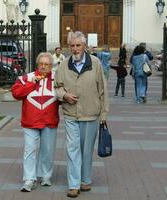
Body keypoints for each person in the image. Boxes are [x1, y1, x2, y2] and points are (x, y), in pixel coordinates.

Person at [54, 31, 109, 198]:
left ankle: (85, 180)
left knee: (86, 150)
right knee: (72, 149)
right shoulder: (63, 65)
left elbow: (103, 90)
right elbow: (57, 86)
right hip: (71, 115)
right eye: (72, 45)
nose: (75, 49)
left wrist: (104, 114)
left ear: (84, 46)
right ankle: (73, 184)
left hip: (91, 114)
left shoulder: (95, 63)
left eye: (78, 45)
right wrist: (64, 95)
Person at [11, 52, 59, 192]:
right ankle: (29, 179)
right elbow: (16, 93)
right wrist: (31, 85)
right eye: (41, 64)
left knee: (48, 150)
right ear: (38, 64)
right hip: (30, 121)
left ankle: (45, 176)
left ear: (51, 66)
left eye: (47, 64)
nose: (44, 67)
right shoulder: (27, 78)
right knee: (29, 150)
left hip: (49, 120)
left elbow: (63, 95)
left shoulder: (57, 79)